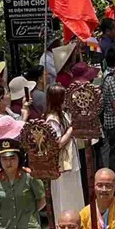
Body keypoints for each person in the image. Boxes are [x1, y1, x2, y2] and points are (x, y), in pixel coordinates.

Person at [0, 139, 46, 229]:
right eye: (4, 159)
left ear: (19, 158)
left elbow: (42, 199)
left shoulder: (30, 177)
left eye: (12, 158)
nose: (8, 163)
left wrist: (30, 212)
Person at [44, 85, 85, 215]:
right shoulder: (52, 120)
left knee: (74, 192)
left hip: (71, 158)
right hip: (62, 161)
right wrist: (71, 129)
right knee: (65, 194)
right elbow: (57, 143)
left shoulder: (64, 114)